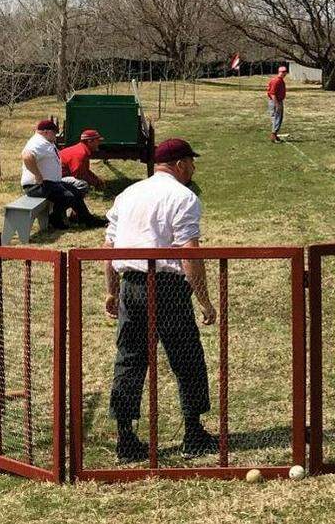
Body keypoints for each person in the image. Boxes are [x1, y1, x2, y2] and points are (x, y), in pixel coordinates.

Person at [104, 138, 219, 461]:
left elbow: (110, 247)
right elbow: (189, 253)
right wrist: (204, 299)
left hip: (131, 285)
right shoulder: (183, 197)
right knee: (186, 359)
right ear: (180, 164)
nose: (193, 168)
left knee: (129, 359)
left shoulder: (128, 194)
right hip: (167, 286)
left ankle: (126, 438)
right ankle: (193, 433)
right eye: (191, 163)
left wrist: (112, 289)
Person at [21, 119, 103, 229]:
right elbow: (27, 156)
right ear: (46, 132)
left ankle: (87, 219)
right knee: (68, 197)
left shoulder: (45, 142)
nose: (56, 135)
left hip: (51, 182)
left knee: (76, 192)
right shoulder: (38, 142)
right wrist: (37, 175)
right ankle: (54, 219)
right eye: (54, 133)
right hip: (37, 185)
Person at [59, 128, 107, 193]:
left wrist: (97, 180)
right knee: (82, 184)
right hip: (56, 179)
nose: (99, 143)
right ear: (90, 141)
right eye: (97, 141)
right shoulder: (81, 153)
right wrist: (96, 183)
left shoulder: (82, 149)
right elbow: (79, 174)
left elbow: (85, 171)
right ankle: (73, 200)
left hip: (59, 176)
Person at [266, 65, 287, 143]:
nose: (284, 74)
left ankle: (275, 134)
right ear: (279, 72)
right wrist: (277, 104)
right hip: (275, 101)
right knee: (276, 118)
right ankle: (273, 135)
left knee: (279, 118)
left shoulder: (281, 80)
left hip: (278, 101)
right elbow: (272, 94)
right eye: (282, 72)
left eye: (285, 72)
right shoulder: (276, 81)